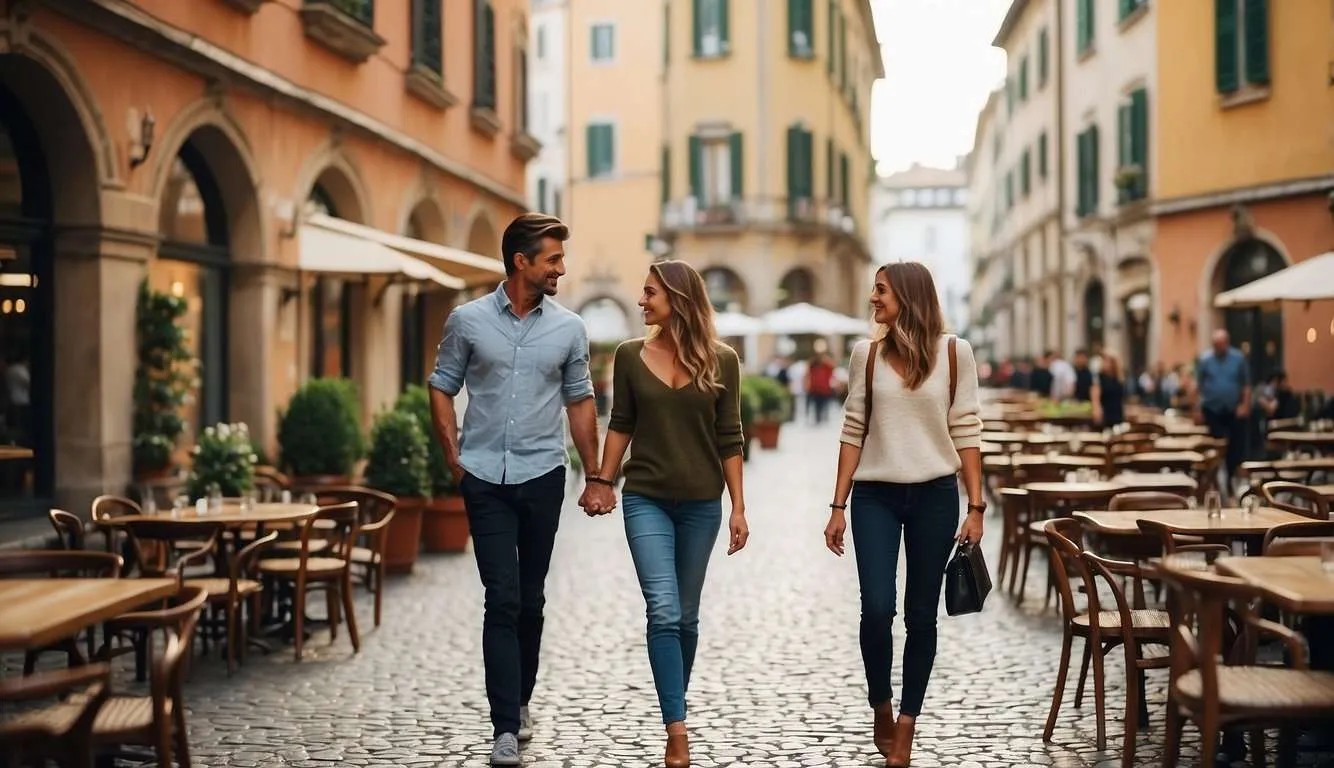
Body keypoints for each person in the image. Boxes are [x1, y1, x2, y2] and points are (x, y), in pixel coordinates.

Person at [427, 213, 602, 767]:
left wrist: (596, 474)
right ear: (521, 261)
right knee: (500, 598)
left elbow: (580, 402)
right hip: (485, 478)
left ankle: (521, 701)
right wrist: (453, 453)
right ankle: (505, 725)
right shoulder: (468, 320)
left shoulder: (569, 328)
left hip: (543, 476)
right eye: (552, 258)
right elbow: (441, 385)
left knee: (531, 599)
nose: (561, 268)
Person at [587, 260, 748, 768]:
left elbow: (730, 437)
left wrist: (739, 506)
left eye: (650, 292)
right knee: (663, 608)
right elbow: (621, 422)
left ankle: (675, 702)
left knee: (687, 616)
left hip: (703, 503)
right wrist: (601, 481)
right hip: (646, 498)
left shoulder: (724, 360)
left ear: (677, 298)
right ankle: (676, 729)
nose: (641, 300)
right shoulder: (629, 356)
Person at [822, 262, 984, 768]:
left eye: (881, 290)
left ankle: (908, 722)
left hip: (936, 496)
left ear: (909, 297)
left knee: (920, 616)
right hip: (875, 496)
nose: (873, 297)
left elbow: (968, 430)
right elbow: (853, 430)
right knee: (877, 608)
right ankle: (881, 704)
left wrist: (976, 505)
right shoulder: (865, 356)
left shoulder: (956, 354)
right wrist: (837, 506)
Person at [1194, 329, 1251, 493]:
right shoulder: (1205, 360)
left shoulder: (1238, 359)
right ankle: (1214, 480)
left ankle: (1231, 479)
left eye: (1221, 344)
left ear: (1226, 342)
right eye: (1215, 345)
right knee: (1214, 447)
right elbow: (1198, 387)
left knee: (1235, 447)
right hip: (1212, 410)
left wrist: (1245, 405)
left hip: (1233, 410)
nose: (1218, 347)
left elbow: (1246, 385)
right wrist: (1197, 409)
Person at [1091, 352, 1126, 428]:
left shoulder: (1118, 378)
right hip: (1105, 412)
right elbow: (1095, 396)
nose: (1107, 364)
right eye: (1105, 361)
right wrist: (1096, 409)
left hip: (1117, 412)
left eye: (1110, 361)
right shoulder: (1099, 377)